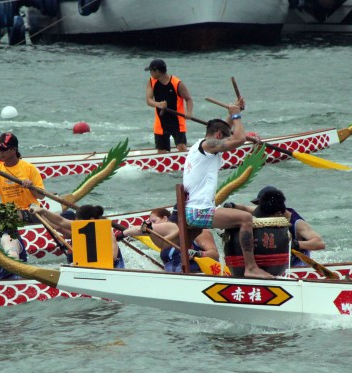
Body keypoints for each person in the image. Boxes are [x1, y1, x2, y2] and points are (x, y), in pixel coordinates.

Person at [182, 106, 273, 279]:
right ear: (218, 136)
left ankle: (234, 266)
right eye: (226, 137)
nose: (227, 143)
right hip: (199, 212)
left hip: (193, 210)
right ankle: (250, 268)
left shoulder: (200, 145)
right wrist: (237, 116)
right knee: (245, 219)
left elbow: (224, 129)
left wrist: (233, 112)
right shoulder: (208, 145)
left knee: (238, 218)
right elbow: (238, 139)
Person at [226, 186, 326, 267]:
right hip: (277, 264)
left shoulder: (298, 224)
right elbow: (245, 208)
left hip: (297, 265)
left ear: (278, 212)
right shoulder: (266, 210)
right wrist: (231, 205)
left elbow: (320, 243)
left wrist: (295, 244)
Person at [119, 207, 219, 273]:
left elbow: (214, 254)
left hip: (197, 276)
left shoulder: (201, 232)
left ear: (165, 219)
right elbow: (144, 231)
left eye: (154, 221)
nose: (154, 225)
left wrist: (198, 254)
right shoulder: (166, 239)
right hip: (174, 278)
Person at [31, 204, 125, 268]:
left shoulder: (106, 231)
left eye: (78, 221)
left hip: (113, 266)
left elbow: (113, 257)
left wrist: (43, 211)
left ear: (91, 219)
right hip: (91, 267)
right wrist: (42, 213)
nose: (76, 225)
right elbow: (60, 223)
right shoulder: (83, 229)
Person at [0, 132, 45, 211]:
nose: (0, 152)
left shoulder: (29, 168)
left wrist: (31, 187)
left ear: (14, 150)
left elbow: (41, 196)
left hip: (30, 210)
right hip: (10, 212)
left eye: (3, 149)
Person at [145, 59, 193, 154]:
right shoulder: (151, 81)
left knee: (182, 147)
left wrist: (189, 112)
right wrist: (158, 104)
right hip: (161, 121)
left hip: (177, 121)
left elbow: (188, 99)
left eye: (151, 71)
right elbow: (149, 100)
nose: (150, 73)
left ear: (157, 71)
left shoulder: (177, 83)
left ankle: (187, 161)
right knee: (161, 151)